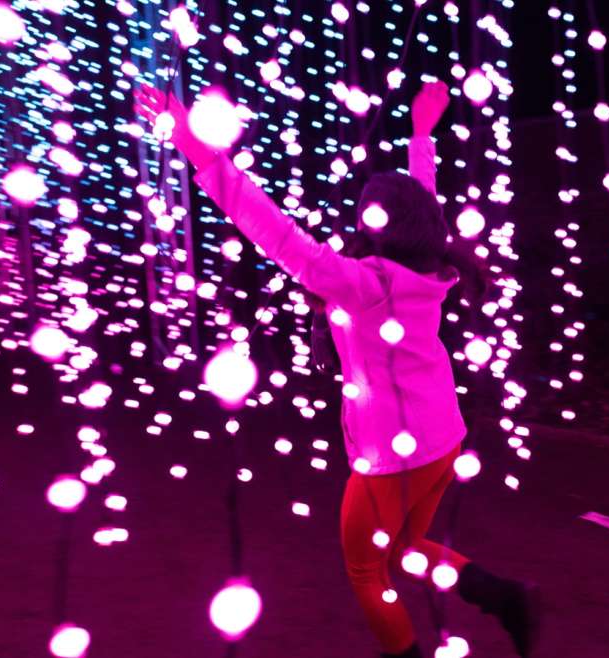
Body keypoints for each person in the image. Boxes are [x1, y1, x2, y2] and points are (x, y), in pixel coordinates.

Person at [134, 82, 539, 658]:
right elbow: (423, 203)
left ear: (378, 226)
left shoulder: (363, 283)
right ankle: (507, 598)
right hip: (444, 438)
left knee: (367, 571)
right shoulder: (429, 268)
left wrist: (189, 140)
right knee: (405, 550)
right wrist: (420, 135)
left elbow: (268, 225)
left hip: (391, 455)